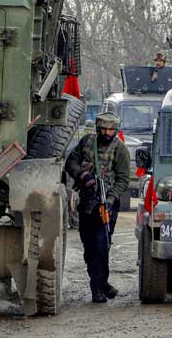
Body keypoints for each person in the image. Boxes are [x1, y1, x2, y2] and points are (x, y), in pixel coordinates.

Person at [65, 112, 130, 303]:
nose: (108, 133)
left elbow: (123, 179)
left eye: (111, 130)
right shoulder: (86, 142)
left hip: (106, 206)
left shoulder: (120, 150)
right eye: (104, 129)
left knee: (102, 246)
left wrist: (110, 199)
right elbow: (71, 162)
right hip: (86, 203)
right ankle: (102, 282)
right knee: (89, 247)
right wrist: (83, 176)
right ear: (98, 128)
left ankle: (97, 288)